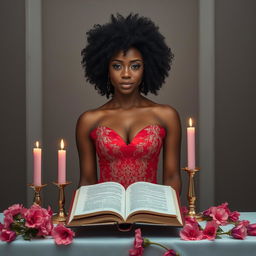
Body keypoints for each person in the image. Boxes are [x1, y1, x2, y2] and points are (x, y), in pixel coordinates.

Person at [76, 13, 181, 194]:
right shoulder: (89, 120)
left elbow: (172, 177)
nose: (126, 74)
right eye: (117, 66)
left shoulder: (166, 116)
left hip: (151, 215)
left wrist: (165, 218)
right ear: (105, 69)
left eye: (135, 66)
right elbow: (87, 181)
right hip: (106, 216)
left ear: (146, 68)